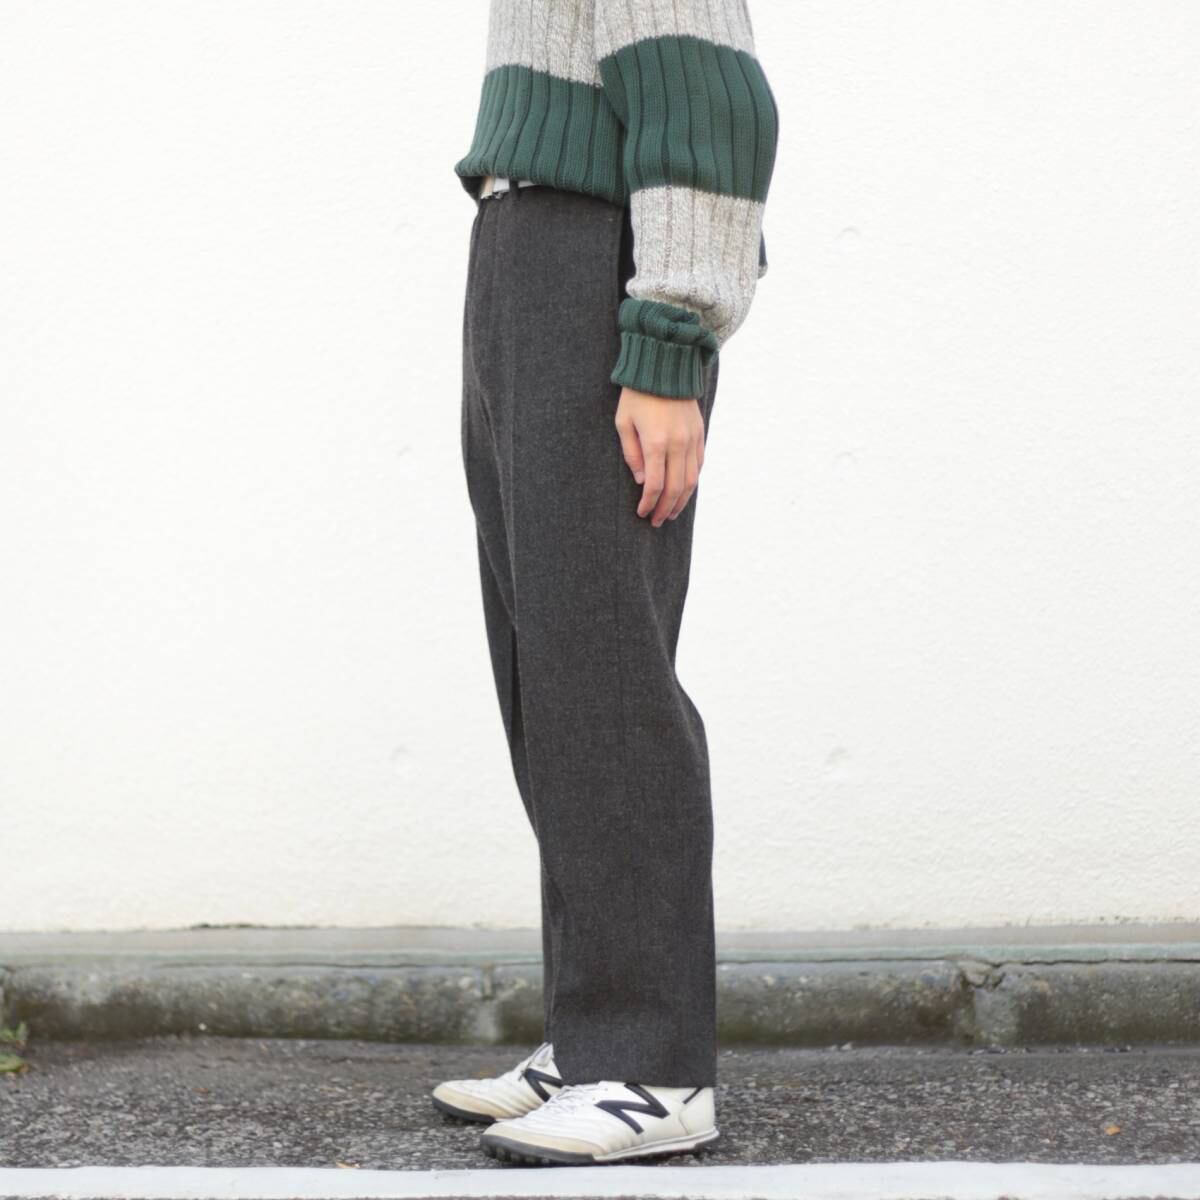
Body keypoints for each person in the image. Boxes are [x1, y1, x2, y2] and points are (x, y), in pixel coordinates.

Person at [433, 0, 778, 1168]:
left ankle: (651, 1064)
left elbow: (707, 92)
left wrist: (670, 338)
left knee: (603, 663)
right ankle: (594, 1034)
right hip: (524, 244)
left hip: (596, 255)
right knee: (543, 666)